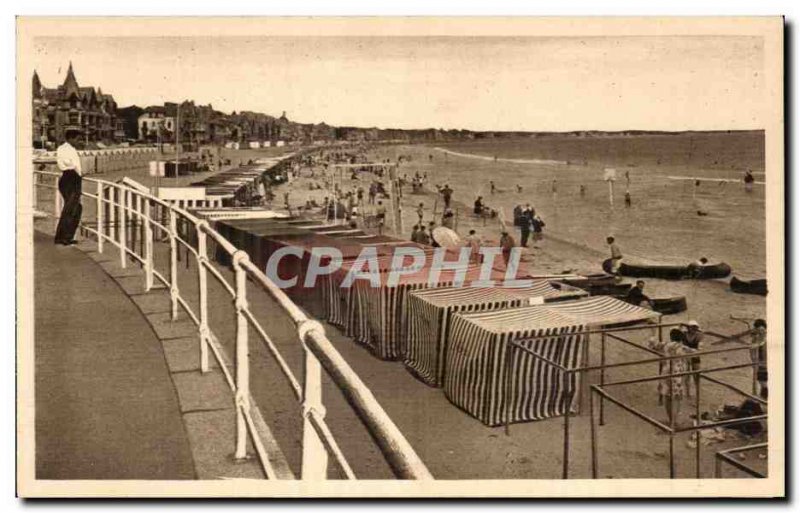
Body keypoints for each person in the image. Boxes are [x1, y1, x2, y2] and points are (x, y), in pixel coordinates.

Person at [649, 329, 693, 426]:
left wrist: (653, 333)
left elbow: (652, 344)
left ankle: (670, 419)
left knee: (667, 397)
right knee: (677, 398)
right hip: (677, 375)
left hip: (666, 372)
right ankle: (674, 420)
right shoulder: (683, 348)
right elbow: (695, 353)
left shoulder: (665, 345)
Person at [54, 138, 83, 245]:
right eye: (77, 139)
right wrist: (75, 167)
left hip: (68, 178)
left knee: (75, 208)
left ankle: (63, 236)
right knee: (71, 209)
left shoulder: (64, 148)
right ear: (72, 138)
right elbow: (68, 163)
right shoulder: (67, 149)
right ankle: (65, 237)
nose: (79, 141)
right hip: (71, 177)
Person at [683, 320, 704, 398]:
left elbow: (700, 348)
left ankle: (697, 392)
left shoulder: (699, 336)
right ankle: (687, 393)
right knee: (687, 375)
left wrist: (689, 349)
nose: (693, 329)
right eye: (692, 327)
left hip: (695, 357)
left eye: (695, 327)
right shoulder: (684, 335)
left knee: (696, 375)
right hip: (686, 356)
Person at [751, 319, 767, 399]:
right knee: (762, 381)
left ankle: (763, 399)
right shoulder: (758, 334)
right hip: (759, 362)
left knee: (763, 382)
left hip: (762, 363)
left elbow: (761, 342)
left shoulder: (762, 333)